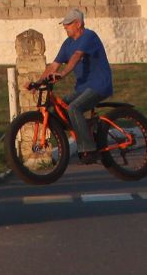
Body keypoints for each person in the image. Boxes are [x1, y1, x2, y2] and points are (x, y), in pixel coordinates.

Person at [44, 8, 112, 162]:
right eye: (64, 24)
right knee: (59, 109)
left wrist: (63, 74)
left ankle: (89, 149)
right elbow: (53, 66)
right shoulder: (67, 43)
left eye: (68, 24)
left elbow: (76, 56)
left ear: (78, 24)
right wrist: (37, 82)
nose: (65, 26)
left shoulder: (89, 36)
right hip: (82, 88)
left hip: (99, 85)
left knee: (74, 108)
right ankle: (85, 128)